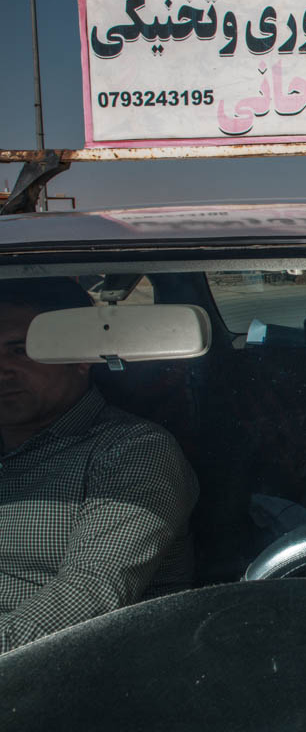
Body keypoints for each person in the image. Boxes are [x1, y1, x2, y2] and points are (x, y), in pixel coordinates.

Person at [0, 277, 198, 654]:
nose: (2, 370)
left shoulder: (132, 451)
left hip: (71, 675)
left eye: (21, 350)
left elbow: (89, 594)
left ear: (80, 357)